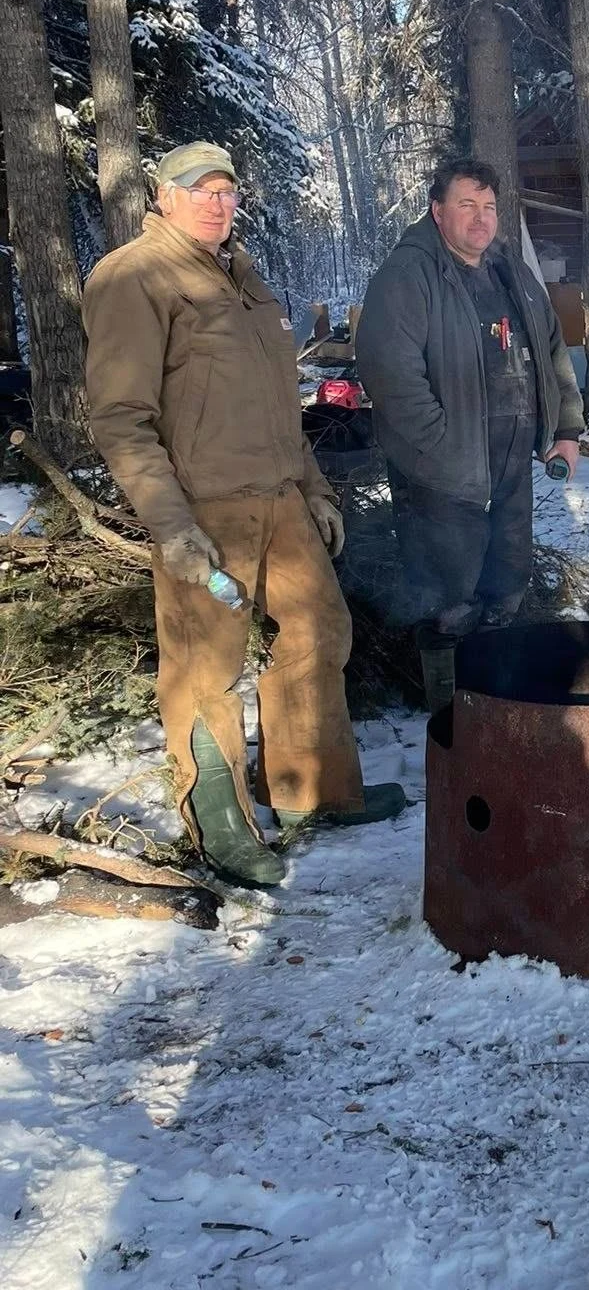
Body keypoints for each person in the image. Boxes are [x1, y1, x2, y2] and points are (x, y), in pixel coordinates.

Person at [83, 141, 405, 888]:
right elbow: (120, 419)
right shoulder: (133, 277)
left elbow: (279, 409)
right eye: (200, 190)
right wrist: (171, 524)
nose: (216, 204)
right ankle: (222, 828)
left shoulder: (245, 277)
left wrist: (315, 489)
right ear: (162, 197)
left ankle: (308, 792)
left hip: (279, 501)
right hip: (204, 515)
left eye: (227, 191)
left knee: (320, 632)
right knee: (206, 668)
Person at [354, 157, 584, 707]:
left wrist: (566, 427)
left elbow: (553, 352)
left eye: (488, 207)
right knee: (445, 596)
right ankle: (448, 713)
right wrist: (440, 448)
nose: (481, 219)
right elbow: (390, 373)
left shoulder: (512, 272)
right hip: (441, 471)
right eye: (466, 205)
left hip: (509, 463)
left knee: (507, 581)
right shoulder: (408, 275)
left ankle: (497, 700)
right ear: (437, 212)